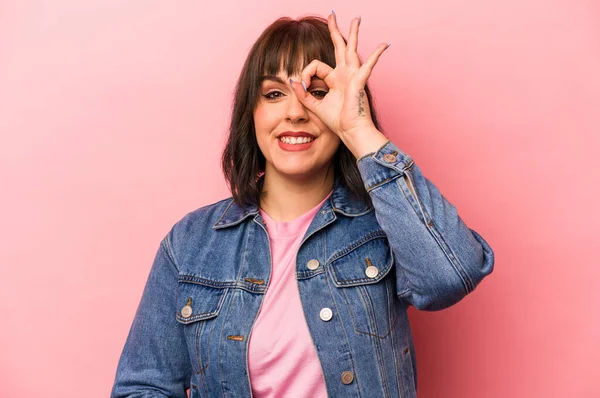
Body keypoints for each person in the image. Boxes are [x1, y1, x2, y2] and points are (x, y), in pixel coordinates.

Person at [111, 11, 494, 398]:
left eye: (318, 93)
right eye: (274, 94)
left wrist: (359, 129)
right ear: (252, 114)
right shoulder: (191, 243)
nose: (295, 112)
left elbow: (449, 277)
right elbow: (142, 387)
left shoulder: (384, 225)